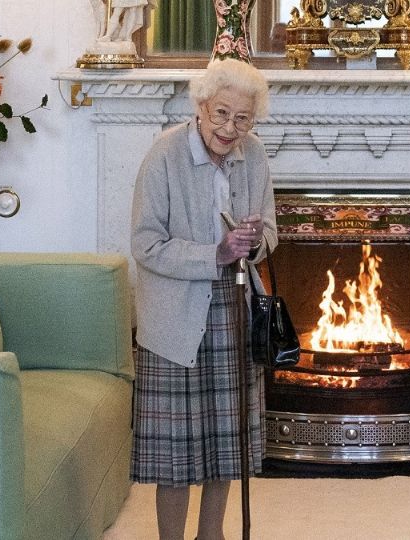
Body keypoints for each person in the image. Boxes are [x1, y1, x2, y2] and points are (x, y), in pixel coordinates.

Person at [130, 58, 274, 540]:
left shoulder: (253, 155)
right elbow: (146, 245)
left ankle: (211, 536)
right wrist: (214, 253)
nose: (230, 129)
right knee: (174, 456)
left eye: (242, 119)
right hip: (174, 321)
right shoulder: (164, 154)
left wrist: (254, 243)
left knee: (224, 445)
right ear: (201, 106)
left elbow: (270, 231)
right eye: (221, 114)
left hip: (234, 310)